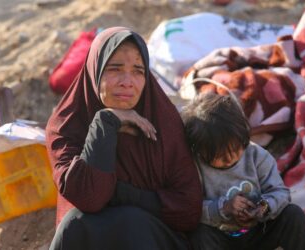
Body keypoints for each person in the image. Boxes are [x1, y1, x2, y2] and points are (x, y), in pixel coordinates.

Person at [45, 26, 203, 250]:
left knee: (130, 222)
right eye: (115, 68)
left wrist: (119, 194)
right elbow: (88, 198)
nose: (127, 81)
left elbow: (188, 209)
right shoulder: (66, 125)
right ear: (95, 70)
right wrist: (105, 123)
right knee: (75, 223)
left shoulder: (163, 122)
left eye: (138, 71)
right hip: (89, 238)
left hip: (154, 239)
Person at [181, 92, 305, 250]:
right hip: (220, 238)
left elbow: (280, 193)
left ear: (243, 136)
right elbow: (190, 208)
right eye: (220, 156)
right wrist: (224, 207)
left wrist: (263, 207)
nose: (231, 158)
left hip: (258, 233)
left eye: (236, 148)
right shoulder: (195, 167)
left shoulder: (257, 156)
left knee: (293, 214)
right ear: (200, 151)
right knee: (199, 234)